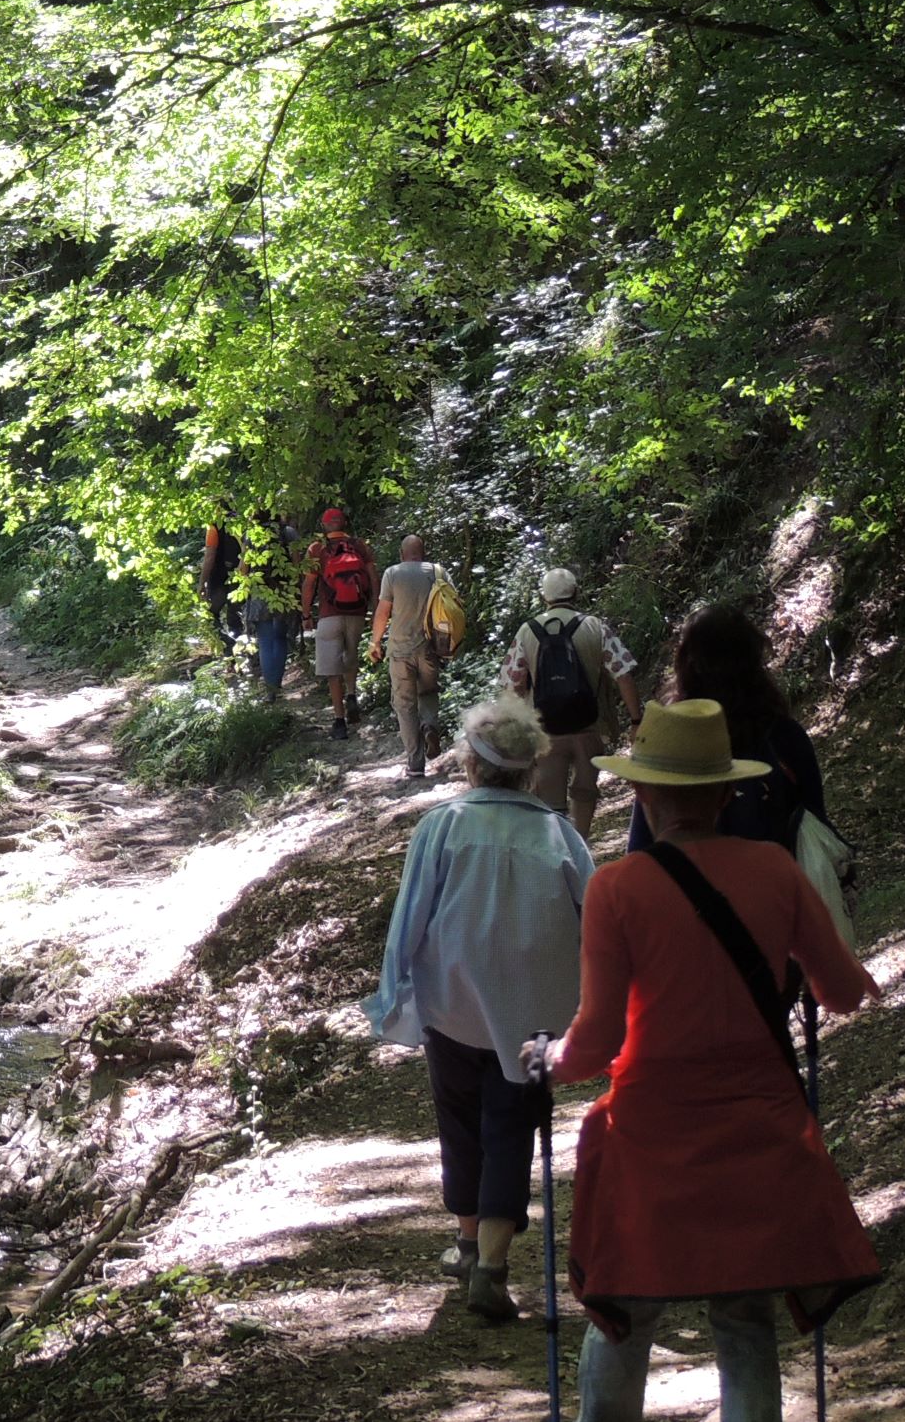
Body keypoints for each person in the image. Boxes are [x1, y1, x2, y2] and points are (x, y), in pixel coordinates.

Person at [533, 699, 880, 1421]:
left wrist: (549, 1058)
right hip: (761, 1129)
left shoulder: (617, 887)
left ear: (643, 792)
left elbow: (596, 1042)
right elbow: (843, 994)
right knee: (746, 1318)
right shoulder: (775, 869)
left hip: (651, 1133)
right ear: (726, 793)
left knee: (624, 1310)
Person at [368, 695, 592, 1322]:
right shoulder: (561, 834)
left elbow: (410, 913)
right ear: (531, 770)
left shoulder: (443, 825)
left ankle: (468, 1243)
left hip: (453, 1005)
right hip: (537, 1016)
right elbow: (594, 917)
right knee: (515, 1125)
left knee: (461, 1119)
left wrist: (394, 993)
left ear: (472, 763)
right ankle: (489, 1262)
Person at [625, 603, 827, 855]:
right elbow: (817, 825)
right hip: (775, 874)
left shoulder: (671, 738)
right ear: (754, 659)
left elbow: (641, 844)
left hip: (684, 877)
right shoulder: (785, 735)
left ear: (686, 664)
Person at [503, 568, 642, 832]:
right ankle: (581, 843)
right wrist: (636, 721)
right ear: (576, 592)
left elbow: (513, 684)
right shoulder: (595, 627)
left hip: (545, 729)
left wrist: (516, 732)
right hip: (590, 725)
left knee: (550, 800)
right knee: (585, 792)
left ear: (544, 596)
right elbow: (624, 674)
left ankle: (557, 846)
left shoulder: (527, 631)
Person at [370, 534, 447, 779]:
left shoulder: (392, 573)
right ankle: (430, 725)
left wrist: (375, 642)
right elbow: (453, 607)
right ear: (423, 552)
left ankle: (415, 763)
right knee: (429, 692)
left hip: (400, 651)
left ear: (402, 554)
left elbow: (383, 612)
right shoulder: (437, 572)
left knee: (405, 705)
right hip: (430, 649)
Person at [302, 508, 378, 740]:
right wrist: (376, 608)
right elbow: (373, 578)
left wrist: (306, 614)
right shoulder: (360, 546)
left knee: (332, 671)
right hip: (357, 613)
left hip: (329, 615)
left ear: (324, 526)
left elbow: (309, 585)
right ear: (344, 523)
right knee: (350, 655)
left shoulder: (317, 549)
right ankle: (352, 694)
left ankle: (339, 721)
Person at [237, 513, 303, 701]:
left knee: (265, 641)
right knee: (280, 638)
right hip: (284, 591)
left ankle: (270, 690)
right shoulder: (288, 532)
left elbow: (243, 570)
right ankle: (276, 683)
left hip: (260, 591)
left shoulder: (251, 535)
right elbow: (297, 566)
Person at [200, 521, 244, 658]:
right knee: (235, 615)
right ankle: (241, 651)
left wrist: (202, 582)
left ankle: (228, 646)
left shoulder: (213, 527)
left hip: (219, 578)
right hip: (241, 574)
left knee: (210, 614)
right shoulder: (241, 521)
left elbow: (210, 556)